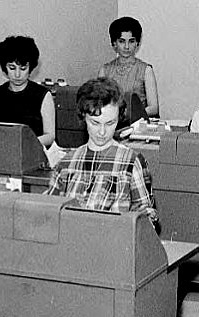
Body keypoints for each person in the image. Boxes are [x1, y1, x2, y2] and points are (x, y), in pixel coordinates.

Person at [46, 78, 158, 227]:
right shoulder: (65, 165)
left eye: (110, 123)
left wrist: (147, 218)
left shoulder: (132, 162)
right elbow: (49, 216)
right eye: (95, 123)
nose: (102, 132)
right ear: (83, 117)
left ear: (119, 119)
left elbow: (146, 221)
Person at [0, 35, 55, 147]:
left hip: (33, 151)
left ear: (30, 68)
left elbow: (49, 136)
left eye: (23, 68)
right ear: (4, 68)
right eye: (12, 68)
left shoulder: (43, 95)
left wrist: (22, 143)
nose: (17, 74)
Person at [98, 16, 159, 118]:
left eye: (131, 41)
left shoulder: (146, 70)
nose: (126, 47)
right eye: (122, 41)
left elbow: (153, 108)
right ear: (114, 43)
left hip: (138, 124)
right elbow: (99, 103)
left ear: (137, 43)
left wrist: (129, 115)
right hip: (110, 123)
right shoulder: (104, 70)